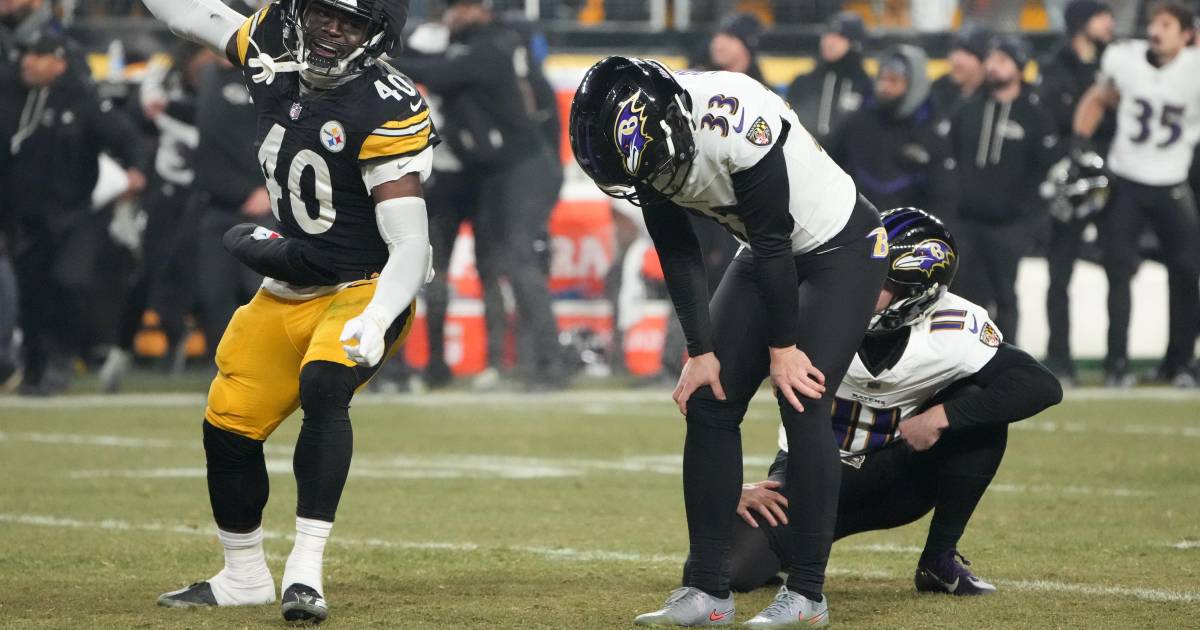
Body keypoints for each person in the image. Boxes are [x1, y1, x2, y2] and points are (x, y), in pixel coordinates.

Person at [138, 0, 435, 623]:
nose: (333, 29)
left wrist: (378, 317)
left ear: (377, 36)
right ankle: (243, 575)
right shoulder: (272, 40)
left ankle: (305, 572)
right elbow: (189, 14)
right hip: (291, 283)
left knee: (325, 383)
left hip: (364, 283)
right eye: (325, 12)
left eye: (352, 22)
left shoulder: (386, 105)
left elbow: (412, 244)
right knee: (228, 423)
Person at [570, 57, 888, 627]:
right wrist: (701, 351)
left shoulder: (735, 117)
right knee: (708, 400)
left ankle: (808, 595)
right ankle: (707, 591)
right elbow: (678, 251)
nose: (648, 182)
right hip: (764, 249)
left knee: (803, 400)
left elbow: (773, 240)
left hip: (840, 248)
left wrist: (783, 349)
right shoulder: (650, 140)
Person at [722, 212, 1063, 596]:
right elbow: (719, 399)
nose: (858, 279)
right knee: (728, 570)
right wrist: (733, 487)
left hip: (897, 480)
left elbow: (1040, 385)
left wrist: (944, 415)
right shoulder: (809, 306)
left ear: (916, 292)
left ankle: (939, 559)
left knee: (977, 407)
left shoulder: (953, 327)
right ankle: (791, 547)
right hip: (809, 473)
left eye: (878, 276)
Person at [390, 0, 567, 390]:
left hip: (524, 170)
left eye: (461, 7)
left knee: (519, 260)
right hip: (498, 174)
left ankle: (549, 363)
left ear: (480, 10)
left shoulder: (490, 47)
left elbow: (437, 73)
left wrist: (383, 61)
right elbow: (433, 62)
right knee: (511, 264)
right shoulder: (474, 46)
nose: (453, 15)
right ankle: (536, 363)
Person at [9, 31, 147, 395]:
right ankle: (33, 368)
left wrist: (136, 168)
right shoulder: (15, 98)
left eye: (38, 55)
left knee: (66, 282)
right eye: (27, 54)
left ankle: (60, 360)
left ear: (58, 62)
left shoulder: (82, 100)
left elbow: (126, 136)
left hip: (74, 214)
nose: (27, 61)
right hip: (27, 218)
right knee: (30, 293)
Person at [1074, 2, 1200, 387]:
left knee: (1187, 272)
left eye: (1166, 24)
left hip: (1173, 180)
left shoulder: (1194, 66)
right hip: (1126, 179)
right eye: (1153, 23)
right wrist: (1080, 145)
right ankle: (1116, 363)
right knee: (1118, 272)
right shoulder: (1125, 59)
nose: (1155, 30)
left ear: (1187, 35)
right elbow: (1098, 98)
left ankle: (1179, 363)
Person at [948, 35, 1060, 342]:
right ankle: (965, 361)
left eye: (1002, 60)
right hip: (968, 221)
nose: (992, 66)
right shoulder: (968, 108)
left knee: (1005, 296)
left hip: (1010, 225)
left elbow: (1045, 167)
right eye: (991, 59)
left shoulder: (1035, 114)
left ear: (1020, 67)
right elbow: (952, 155)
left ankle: (1007, 360)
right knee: (964, 298)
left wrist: (1027, 214)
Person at [1036, 0, 1116, 384]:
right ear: (1082, 23)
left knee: (1119, 270)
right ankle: (1059, 359)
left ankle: (1117, 362)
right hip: (1071, 182)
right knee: (1060, 273)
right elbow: (1053, 120)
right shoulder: (1053, 66)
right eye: (1101, 17)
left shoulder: (1115, 62)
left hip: (1113, 180)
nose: (1110, 23)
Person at [826, 45, 958, 226]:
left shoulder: (932, 131)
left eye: (894, 81)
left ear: (914, 85)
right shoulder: (857, 122)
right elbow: (831, 171)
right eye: (882, 79)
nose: (884, 87)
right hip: (856, 228)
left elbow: (943, 198)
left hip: (909, 230)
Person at [785, 11, 871, 144]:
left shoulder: (866, 87)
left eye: (839, 37)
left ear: (855, 44)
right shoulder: (802, 83)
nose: (829, 42)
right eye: (827, 34)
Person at [929, 26, 992, 121]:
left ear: (984, 62)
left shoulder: (995, 95)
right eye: (954, 51)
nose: (957, 60)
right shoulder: (939, 88)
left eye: (967, 54)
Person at [708, 12, 765, 84]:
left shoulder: (760, 87)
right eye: (717, 37)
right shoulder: (703, 81)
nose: (718, 46)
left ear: (748, 43)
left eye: (729, 38)